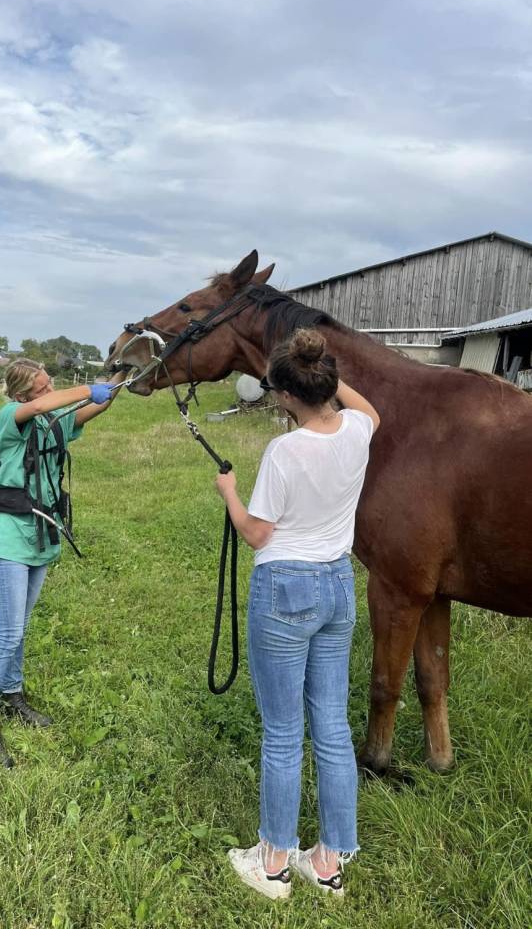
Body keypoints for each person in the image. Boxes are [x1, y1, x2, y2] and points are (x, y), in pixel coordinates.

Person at [215, 328, 380, 900]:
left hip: (286, 587)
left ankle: (274, 863)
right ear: (328, 384)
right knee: (331, 727)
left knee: (284, 731)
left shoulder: (285, 450)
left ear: (284, 396)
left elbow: (258, 534)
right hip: (338, 584)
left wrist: (229, 492)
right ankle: (329, 861)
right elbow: (368, 410)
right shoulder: (359, 430)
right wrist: (322, 375)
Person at [0, 358, 124, 768]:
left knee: (20, 628)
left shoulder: (54, 423)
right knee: (7, 632)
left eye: (50, 384)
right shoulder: (12, 417)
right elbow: (43, 407)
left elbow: (98, 405)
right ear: (23, 396)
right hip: (7, 537)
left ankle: (13, 696)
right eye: (43, 388)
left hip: (39, 537)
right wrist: (84, 389)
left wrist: (121, 376)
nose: (50, 392)